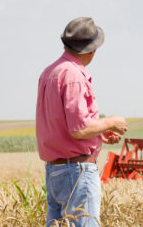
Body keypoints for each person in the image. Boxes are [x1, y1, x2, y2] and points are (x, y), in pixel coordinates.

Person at [36, 17, 129, 227]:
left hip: (54, 172)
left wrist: (99, 132)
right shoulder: (74, 75)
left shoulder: (50, 72)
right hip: (76, 172)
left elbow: (61, 124)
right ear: (92, 50)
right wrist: (111, 122)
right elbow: (79, 129)